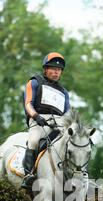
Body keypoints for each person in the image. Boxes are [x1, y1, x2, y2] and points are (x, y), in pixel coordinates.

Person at [21, 52, 70, 189]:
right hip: (38, 120)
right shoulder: (34, 82)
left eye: (59, 70)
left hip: (58, 123)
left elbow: (67, 113)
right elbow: (28, 103)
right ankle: (28, 175)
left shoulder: (64, 92)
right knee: (34, 140)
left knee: (73, 143)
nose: (56, 72)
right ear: (45, 69)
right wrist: (36, 116)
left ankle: (78, 175)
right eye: (53, 69)